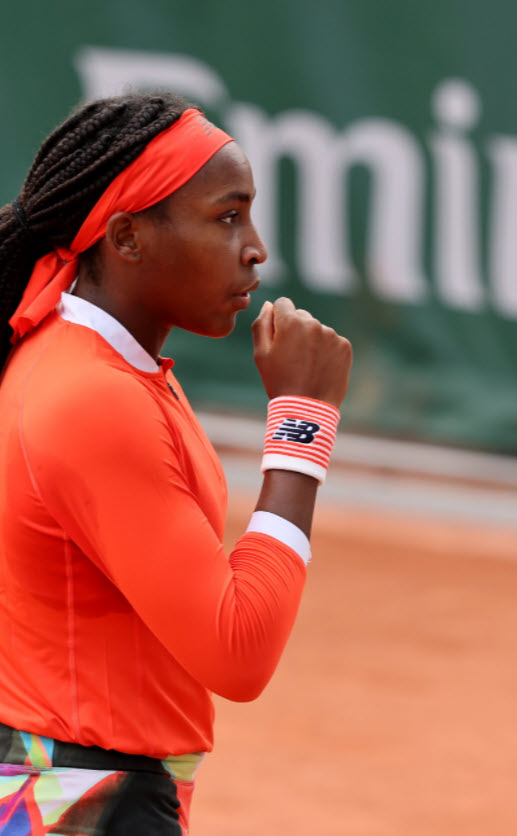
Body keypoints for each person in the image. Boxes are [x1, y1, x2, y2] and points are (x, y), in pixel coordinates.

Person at [0, 93, 352, 834]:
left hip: (71, 788)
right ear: (127, 238)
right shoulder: (93, 396)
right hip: (81, 801)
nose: (254, 247)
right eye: (227, 217)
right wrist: (303, 420)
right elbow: (237, 653)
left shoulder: (98, 365)